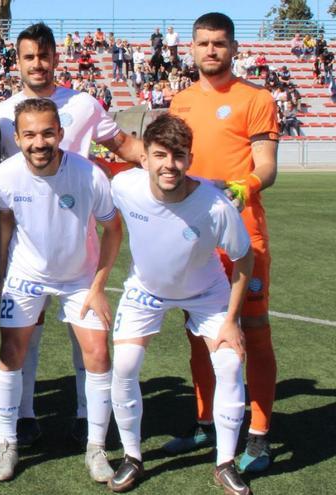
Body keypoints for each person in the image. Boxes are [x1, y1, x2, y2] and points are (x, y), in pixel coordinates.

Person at [0, 22, 143, 447]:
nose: (37, 64)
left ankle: (83, 414)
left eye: (44, 55)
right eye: (28, 57)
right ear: (16, 62)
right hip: (29, 246)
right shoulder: (0, 115)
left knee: (87, 340)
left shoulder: (86, 104)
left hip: (80, 244)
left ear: (57, 57)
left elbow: (124, 145)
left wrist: (174, 166)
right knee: (25, 335)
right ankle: (25, 414)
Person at [108, 113, 254, 495]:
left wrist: (232, 321)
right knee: (124, 364)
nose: (168, 165)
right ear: (144, 158)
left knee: (229, 361)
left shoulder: (216, 206)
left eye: (178, 156)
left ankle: (225, 462)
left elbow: (243, 258)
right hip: (146, 291)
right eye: (159, 155)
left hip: (206, 293)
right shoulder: (124, 187)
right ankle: (132, 456)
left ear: (189, 159)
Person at [0, 98, 121, 482]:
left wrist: (98, 286)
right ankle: (7, 443)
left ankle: (96, 447)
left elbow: (113, 229)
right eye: (29, 134)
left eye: (48, 133)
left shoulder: (90, 175)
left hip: (80, 278)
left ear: (61, 134)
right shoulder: (3, 177)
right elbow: (5, 224)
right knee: (11, 352)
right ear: (17, 137)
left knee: (97, 352)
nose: (39, 142)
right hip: (27, 274)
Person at [168, 12, 279, 474]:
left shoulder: (256, 98)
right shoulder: (181, 100)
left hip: (242, 237)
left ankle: (259, 434)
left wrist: (241, 187)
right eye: (203, 43)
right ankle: (205, 421)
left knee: (252, 332)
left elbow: (267, 166)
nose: (211, 50)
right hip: (194, 237)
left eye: (219, 43)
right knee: (198, 335)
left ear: (233, 48)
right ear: (190, 49)